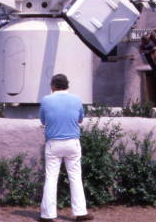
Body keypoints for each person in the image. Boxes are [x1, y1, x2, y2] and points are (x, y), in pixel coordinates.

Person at [38, 74, 93, 222]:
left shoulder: (46, 100)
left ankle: (48, 215)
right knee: (75, 177)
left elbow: (43, 121)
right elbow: (80, 119)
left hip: (53, 143)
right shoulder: (76, 99)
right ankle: (81, 212)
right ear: (67, 85)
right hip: (72, 143)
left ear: (53, 86)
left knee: (51, 178)